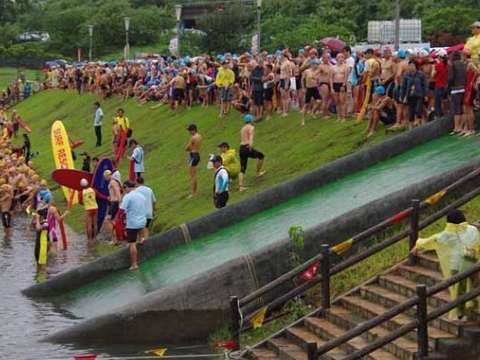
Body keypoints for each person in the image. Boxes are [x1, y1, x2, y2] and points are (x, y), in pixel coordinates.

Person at [412, 210, 480, 320]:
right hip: (472, 263)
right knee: (473, 286)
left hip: (456, 267)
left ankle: (460, 314)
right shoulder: (473, 230)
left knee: (458, 291)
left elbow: (432, 240)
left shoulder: (446, 235)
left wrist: (418, 245)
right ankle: (472, 304)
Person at [120, 180, 147, 271]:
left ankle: (134, 264)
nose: (124, 190)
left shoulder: (128, 197)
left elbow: (121, 211)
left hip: (132, 223)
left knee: (132, 244)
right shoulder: (141, 195)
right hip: (142, 222)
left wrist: (120, 222)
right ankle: (142, 238)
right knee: (140, 234)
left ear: (127, 187)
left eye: (124, 188)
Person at [239, 114, 265, 192]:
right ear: (251, 120)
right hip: (247, 147)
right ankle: (257, 173)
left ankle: (241, 186)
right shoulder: (251, 127)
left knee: (242, 168)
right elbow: (251, 137)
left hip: (241, 148)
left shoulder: (242, 128)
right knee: (261, 156)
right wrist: (250, 145)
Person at [448, 51, 467, 134]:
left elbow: (451, 78)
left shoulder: (452, 65)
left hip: (455, 88)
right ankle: (463, 127)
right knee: (463, 108)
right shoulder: (464, 64)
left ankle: (457, 127)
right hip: (464, 88)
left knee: (456, 109)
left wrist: (449, 87)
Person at [104, 169, 122, 244]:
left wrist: (120, 201)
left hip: (114, 203)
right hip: (113, 202)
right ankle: (115, 238)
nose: (105, 178)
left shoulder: (112, 182)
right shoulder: (113, 181)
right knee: (111, 220)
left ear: (109, 175)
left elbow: (117, 191)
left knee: (107, 221)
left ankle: (114, 239)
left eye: (105, 176)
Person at [135, 176, 156, 241]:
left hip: (141, 213)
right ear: (143, 182)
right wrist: (153, 211)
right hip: (149, 213)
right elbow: (154, 201)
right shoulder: (149, 189)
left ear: (137, 182)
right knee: (146, 228)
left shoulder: (136, 191)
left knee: (140, 229)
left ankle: (141, 242)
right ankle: (147, 241)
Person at [185, 124, 202, 198]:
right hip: (197, 154)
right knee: (193, 175)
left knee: (193, 176)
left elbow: (187, 148)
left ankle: (193, 193)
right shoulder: (199, 136)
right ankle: (194, 192)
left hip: (193, 155)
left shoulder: (193, 138)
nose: (189, 132)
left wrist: (188, 148)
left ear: (193, 130)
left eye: (190, 130)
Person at [80, 178, 98, 243]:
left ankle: (90, 239)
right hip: (95, 207)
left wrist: (85, 202)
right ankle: (95, 238)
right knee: (95, 223)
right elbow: (96, 196)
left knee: (89, 224)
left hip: (88, 209)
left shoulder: (81, 192)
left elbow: (80, 202)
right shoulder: (93, 190)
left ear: (81, 185)